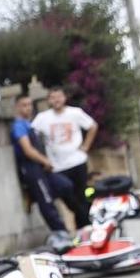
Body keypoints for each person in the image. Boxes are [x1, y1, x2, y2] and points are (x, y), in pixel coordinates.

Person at [5, 95, 77, 248]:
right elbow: (28, 150)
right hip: (31, 168)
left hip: (41, 167)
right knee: (46, 199)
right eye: (24, 105)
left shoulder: (29, 124)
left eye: (30, 105)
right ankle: (60, 232)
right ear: (17, 107)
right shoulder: (19, 125)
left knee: (64, 186)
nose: (28, 108)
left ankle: (79, 218)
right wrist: (45, 161)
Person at [31, 87, 98, 229]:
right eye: (53, 97)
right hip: (57, 166)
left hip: (78, 162)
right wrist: (41, 156)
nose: (56, 100)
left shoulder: (75, 113)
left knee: (82, 195)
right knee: (69, 198)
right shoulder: (43, 118)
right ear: (49, 100)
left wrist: (85, 146)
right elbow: (32, 134)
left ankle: (84, 228)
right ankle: (86, 223)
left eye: (59, 96)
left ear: (64, 98)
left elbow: (92, 126)